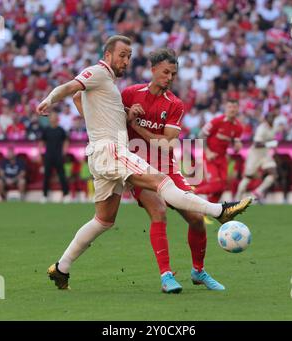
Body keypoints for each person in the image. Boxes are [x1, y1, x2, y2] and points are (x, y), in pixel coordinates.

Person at [36, 35, 251, 292]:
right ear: (107, 55)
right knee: (162, 186)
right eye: (122, 55)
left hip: (106, 154)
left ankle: (61, 268)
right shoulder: (100, 73)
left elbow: (81, 100)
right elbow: (71, 89)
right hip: (113, 151)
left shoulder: (116, 88)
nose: (126, 60)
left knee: (103, 220)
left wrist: (125, 117)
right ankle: (220, 211)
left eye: (129, 56)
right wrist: (50, 99)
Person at [74, 48, 225, 292]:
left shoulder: (175, 104)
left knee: (196, 219)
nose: (169, 78)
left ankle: (198, 271)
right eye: (166, 72)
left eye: (173, 74)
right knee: (159, 210)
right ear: (153, 70)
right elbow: (108, 118)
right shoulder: (130, 94)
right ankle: (166, 277)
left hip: (167, 167)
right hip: (137, 167)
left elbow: (167, 144)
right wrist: (126, 117)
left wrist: (138, 127)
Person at [194, 99, 243, 203]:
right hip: (209, 157)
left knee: (223, 186)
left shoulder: (238, 127)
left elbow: (236, 143)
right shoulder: (217, 121)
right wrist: (207, 152)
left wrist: (237, 146)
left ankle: (208, 211)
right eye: (230, 107)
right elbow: (201, 135)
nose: (232, 110)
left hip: (222, 158)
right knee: (215, 184)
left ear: (238, 109)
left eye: (234, 107)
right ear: (226, 108)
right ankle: (192, 192)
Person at [235, 112, 278, 202]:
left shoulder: (274, 127)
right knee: (248, 177)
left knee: (274, 174)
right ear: (266, 119)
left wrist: (273, 148)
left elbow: (270, 140)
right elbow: (257, 144)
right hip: (255, 155)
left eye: (272, 117)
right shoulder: (261, 128)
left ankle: (258, 191)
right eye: (269, 117)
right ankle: (237, 199)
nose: (271, 119)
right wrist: (270, 144)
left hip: (265, 154)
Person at [40, 111, 70, 203]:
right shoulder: (46, 130)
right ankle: (45, 195)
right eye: (51, 117)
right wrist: (40, 152)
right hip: (48, 156)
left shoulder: (61, 130)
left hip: (58, 156)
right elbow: (42, 141)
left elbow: (66, 141)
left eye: (54, 116)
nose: (53, 118)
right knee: (46, 176)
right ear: (49, 119)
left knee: (62, 175)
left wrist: (64, 151)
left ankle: (66, 195)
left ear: (57, 119)